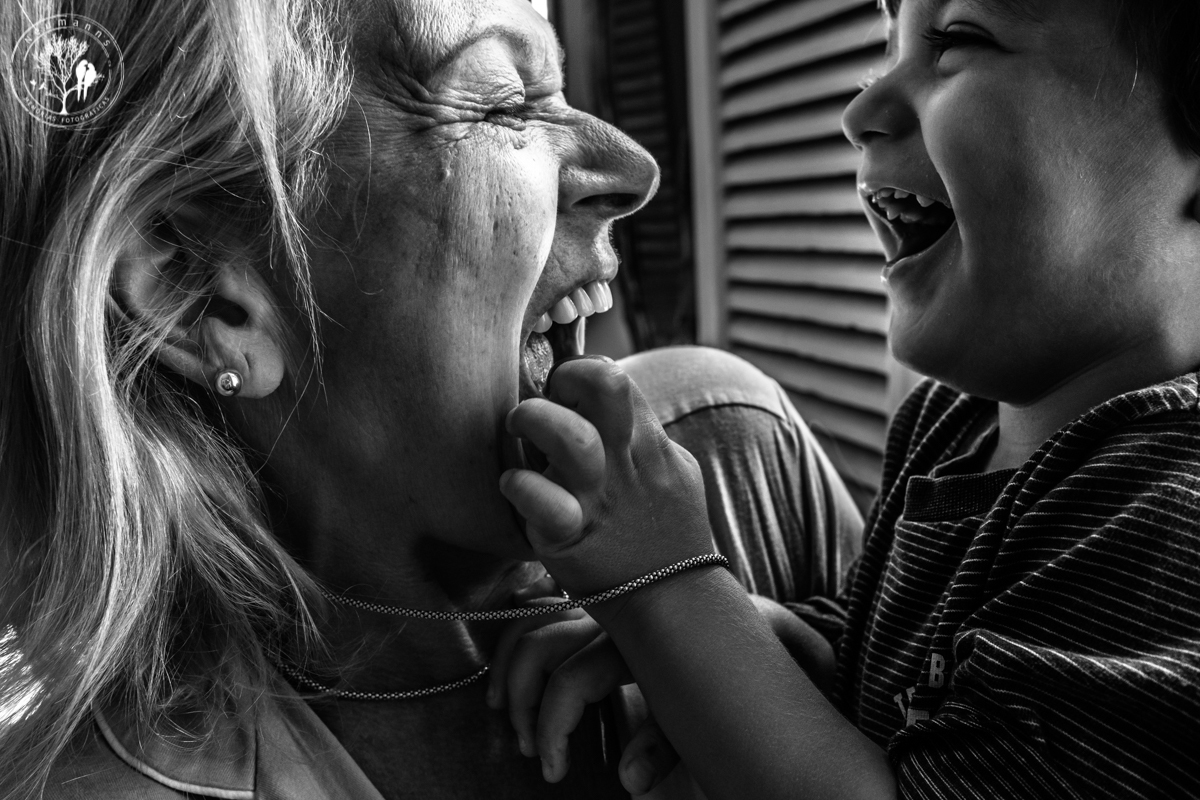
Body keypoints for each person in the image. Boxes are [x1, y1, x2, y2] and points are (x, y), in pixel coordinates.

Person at [0, 1, 858, 798]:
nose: (632, 168)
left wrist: (812, 685)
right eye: (504, 101)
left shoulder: (734, 448)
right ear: (202, 297)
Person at [497, 0, 1200, 797]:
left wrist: (673, 584)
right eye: (881, 54)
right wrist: (784, 652)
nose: (861, 110)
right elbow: (907, 666)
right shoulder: (947, 423)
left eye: (959, 40)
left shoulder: (1171, 515)